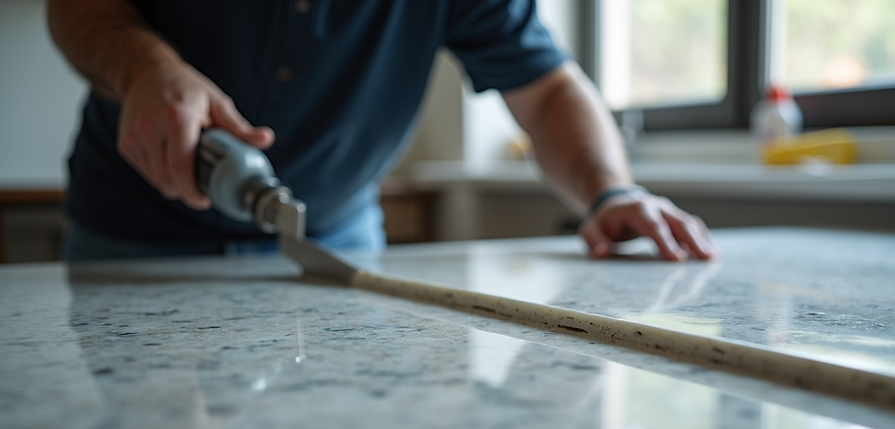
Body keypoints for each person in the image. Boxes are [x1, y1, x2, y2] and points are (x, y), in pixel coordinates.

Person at [48, 0, 718, 261]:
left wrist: (608, 193)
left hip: (335, 243)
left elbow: (547, 92)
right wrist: (144, 69)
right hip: (130, 240)